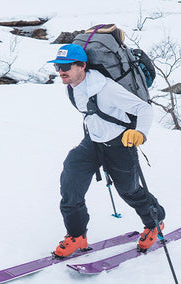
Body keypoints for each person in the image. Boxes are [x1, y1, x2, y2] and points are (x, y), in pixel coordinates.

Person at [47, 44, 166, 258]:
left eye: (65, 66)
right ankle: (76, 235)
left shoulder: (106, 88)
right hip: (92, 142)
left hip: (120, 144)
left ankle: (154, 224)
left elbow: (143, 109)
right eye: (57, 66)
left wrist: (140, 132)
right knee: (70, 183)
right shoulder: (71, 87)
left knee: (130, 191)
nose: (60, 71)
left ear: (82, 66)